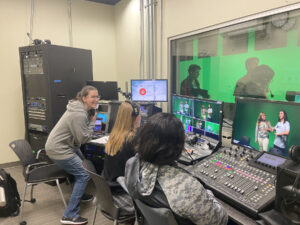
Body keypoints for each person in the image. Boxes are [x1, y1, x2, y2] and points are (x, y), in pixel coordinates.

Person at [124, 113, 228, 225]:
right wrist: (207, 193)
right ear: (179, 146)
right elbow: (220, 220)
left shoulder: (132, 164)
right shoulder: (188, 188)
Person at [45, 85, 99, 225]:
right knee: (84, 174)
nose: (96, 99)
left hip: (67, 146)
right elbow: (82, 139)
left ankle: (79, 194)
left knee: (85, 165)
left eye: (97, 96)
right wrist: (93, 123)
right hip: (59, 149)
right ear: (84, 98)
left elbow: (79, 136)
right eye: (93, 96)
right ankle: (69, 215)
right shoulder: (79, 114)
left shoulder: (79, 108)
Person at [103, 101, 141, 184]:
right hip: (122, 187)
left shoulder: (113, 135)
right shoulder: (133, 138)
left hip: (108, 185)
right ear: (137, 118)